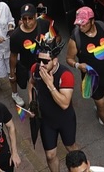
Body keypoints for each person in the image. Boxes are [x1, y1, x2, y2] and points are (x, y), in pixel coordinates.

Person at [66, 7, 104, 148]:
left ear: (92, 21)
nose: (81, 27)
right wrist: (78, 65)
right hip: (92, 79)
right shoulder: (75, 39)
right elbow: (69, 58)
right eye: (79, 24)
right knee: (101, 104)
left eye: (84, 23)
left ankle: (101, 109)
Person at [29, 36, 79, 172]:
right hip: (46, 121)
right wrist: (32, 102)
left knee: (71, 149)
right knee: (50, 155)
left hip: (65, 120)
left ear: (55, 60)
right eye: (39, 60)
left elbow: (64, 104)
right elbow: (31, 84)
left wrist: (50, 85)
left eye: (45, 61)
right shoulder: (35, 69)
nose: (41, 64)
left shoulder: (65, 75)